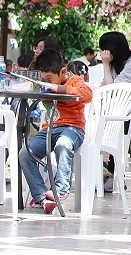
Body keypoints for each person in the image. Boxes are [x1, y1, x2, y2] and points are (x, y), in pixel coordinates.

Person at [21, 50, 93, 213]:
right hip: (49, 129)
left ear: (62, 72)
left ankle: (59, 190)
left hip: (73, 129)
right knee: (25, 153)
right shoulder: (45, 82)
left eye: (49, 79)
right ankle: (40, 196)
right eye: (43, 79)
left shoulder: (74, 81)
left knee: (63, 144)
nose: (46, 82)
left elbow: (87, 94)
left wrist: (59, 88)